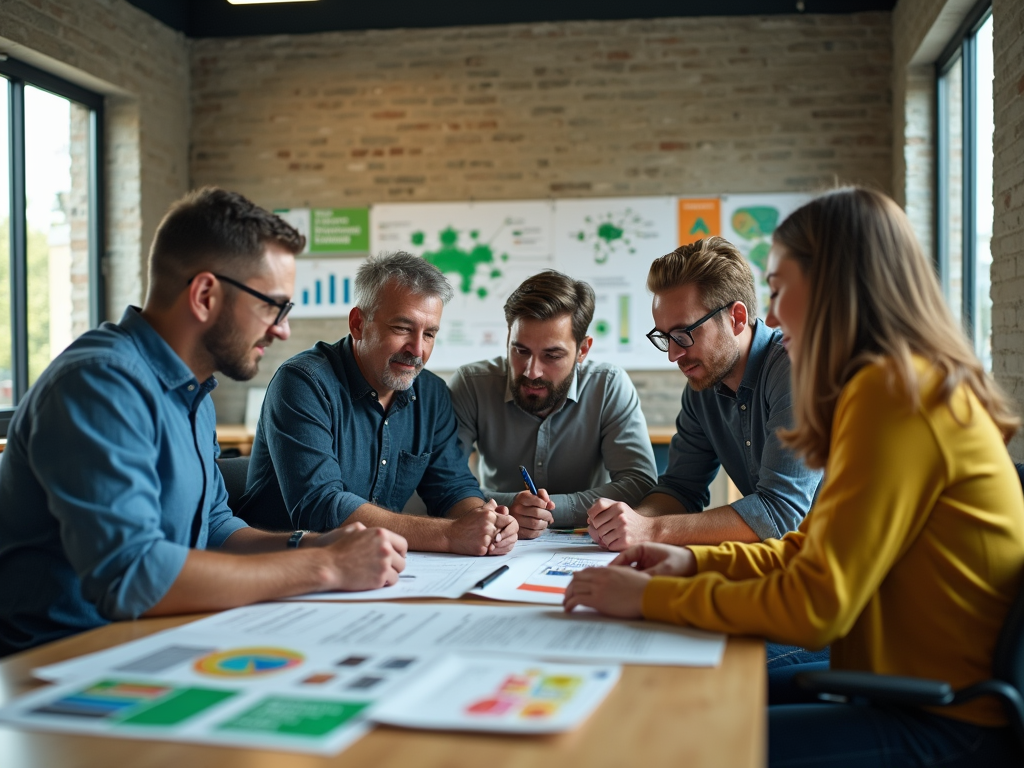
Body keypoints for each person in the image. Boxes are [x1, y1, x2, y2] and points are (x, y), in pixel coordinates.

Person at [564, 187, 1024, 767]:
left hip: (945, 720)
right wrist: (690, 562)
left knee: (679, 743)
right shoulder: (889, 387)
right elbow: (808, 551)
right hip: (891, 685)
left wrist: (656, 596)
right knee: (680, 709)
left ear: (836, 288)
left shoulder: (897, 399)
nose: (772, 316)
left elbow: (816, 606)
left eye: (780, 290)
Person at [0, 188, 408, 657]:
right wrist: (326, 567)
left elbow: (214, 527)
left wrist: (312, 544)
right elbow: (133, 576)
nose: (282, 330)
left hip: (154, 643)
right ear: (205, 295)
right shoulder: (99, 384)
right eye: (272, 306)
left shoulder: (193, 390)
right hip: (61, 664)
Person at [238, 251, 518, 556]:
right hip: (281, 565)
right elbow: (320, 507)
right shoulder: (303, 382)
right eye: (402, 328)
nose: (417, 350)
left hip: (371, 567)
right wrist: (450, 535)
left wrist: (486, 521)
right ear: (358, 324)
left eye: (430, 334)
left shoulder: (431, 393)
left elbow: (452, 487)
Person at [586, 236, 822, 552]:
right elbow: (681, 488)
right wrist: (630, 521)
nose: (672, 354)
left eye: (683, 334)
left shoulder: (795, 370)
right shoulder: (703, 385)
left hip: (842, 569)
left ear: (737, 318)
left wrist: (652, 529)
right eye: (665, 337)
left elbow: (778, 513)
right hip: (782, 563)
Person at [448, 270, 658, 537]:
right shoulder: (471, 385)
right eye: (520, 350)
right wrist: (510, 507)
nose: (531, 371)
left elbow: (639, 485)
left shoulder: (608, 386)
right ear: (507, 339)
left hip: (586, 541)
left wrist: (546, 512)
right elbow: (441, 482)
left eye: (552, 355)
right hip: (496, 538)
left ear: (583, 350)